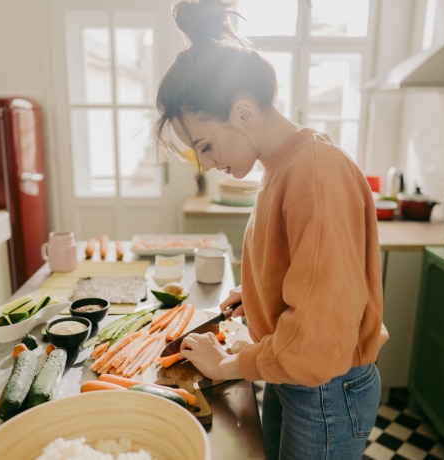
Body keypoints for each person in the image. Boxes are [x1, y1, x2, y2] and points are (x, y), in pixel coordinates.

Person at [154, 1, 389, 458]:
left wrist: (226, 365)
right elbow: (303, 267)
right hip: (297, 378)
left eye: (204, 145)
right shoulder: (282, 165)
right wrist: (258, 294)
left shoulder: (314, 174)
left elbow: (318, 338)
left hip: (325, 390)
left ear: (242, 113)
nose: (204, 163)